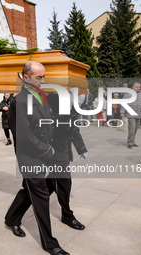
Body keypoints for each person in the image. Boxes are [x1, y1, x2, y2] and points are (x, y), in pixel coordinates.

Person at [5, 61, 70, 255]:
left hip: (43, 151)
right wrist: (47, 151)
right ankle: (49, 243)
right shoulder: (20, 101)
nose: (43, 80)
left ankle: (11, 218)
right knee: (40, 196)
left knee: (30, 190)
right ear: (26, 77)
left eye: (44, 76)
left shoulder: (40, 95)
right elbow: (24, 136)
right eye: (38, 77)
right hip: (30, 156)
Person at [47, 92, 87, 231]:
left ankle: (16, 213)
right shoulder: (53, 99)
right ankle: (67, 216)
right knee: (64, 183)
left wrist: (82, 149)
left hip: (63, 151)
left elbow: (74, 131)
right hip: (55, 151)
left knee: (48, 184)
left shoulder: (73, 110)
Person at [120, 82, 141, 149]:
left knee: (135, 128)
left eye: (139, 87)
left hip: (139, 114)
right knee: (132, 128)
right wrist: (122, 112)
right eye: (136, 87)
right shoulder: (128, 94)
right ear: (133, 87)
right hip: (130, 114)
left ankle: (133, 141)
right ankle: (129, 142)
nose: (138, 88)